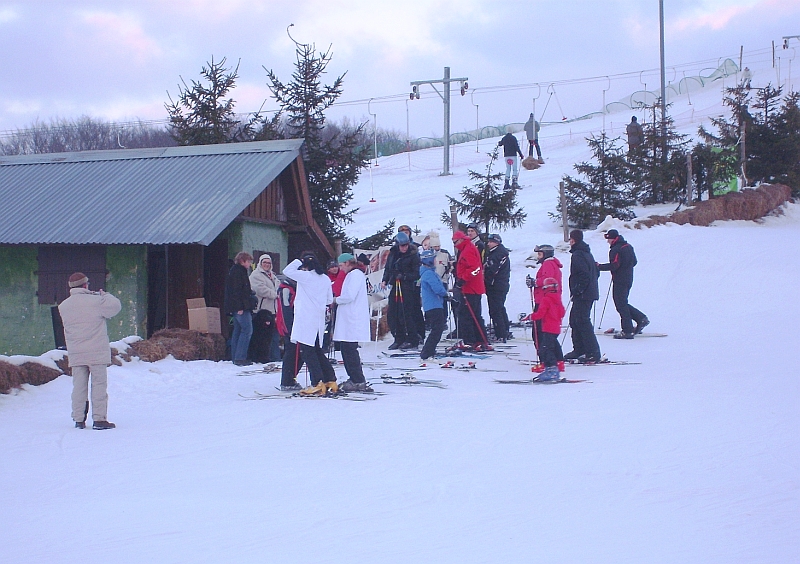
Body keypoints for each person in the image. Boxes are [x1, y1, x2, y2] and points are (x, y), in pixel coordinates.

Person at [58, 272, 122, 430]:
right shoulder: (97, 301)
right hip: (96, 352)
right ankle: (99, 419)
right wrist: (104, 295)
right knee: (99, 385)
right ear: (85, 285)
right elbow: (115, 306)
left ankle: (78, 419)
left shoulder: (64, 306)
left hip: (76, 352)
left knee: (78, 387)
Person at [283, 252, 337, 394]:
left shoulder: (305, 276)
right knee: (317, 350)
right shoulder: (325, 278)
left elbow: (287, 271)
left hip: (305, 318)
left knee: (307, 352)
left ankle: (317, 382)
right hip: (318, 319)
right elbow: (329, 300)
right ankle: (330, 379)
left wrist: (299, 261)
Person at [597, 229, 649, 339]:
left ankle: (627, 330)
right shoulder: (628, 246)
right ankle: (641, 319)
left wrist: (599, 267)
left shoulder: (616, 249)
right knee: (623, 303)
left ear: (614, 239)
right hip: (628, 278)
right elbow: (634, 262)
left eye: (609, 239)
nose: (608, 241)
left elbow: (614, 265)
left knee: (620, 304)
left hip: (620, 280)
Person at [332, 253, 372, 392]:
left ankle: (358, 380)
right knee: (346, 349)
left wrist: (335, 300)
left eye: (341, 265)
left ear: (348, 263)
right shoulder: (352, 274)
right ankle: (354, 378)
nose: (340, 268)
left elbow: (349, 295)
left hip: (352, 318)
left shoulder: (355, 275)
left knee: (349, 350)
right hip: (348, 318)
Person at [565, 229, 602, 363]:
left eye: (570, 239)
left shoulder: (578, 254)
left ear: (573, 240)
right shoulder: (586, 252)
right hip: (587, 293)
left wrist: (578, 289)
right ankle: (580, 349)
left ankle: (593, 352)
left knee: (582, 321)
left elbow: (584, 274)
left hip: (584, 294)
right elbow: (596, 271)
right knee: (575, 320)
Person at [381, 231, 422, 350]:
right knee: (393, 313)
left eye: (406, 245)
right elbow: (388, 268)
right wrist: (385, 280)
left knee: (406, 314)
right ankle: (399, 338)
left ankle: (412, 339)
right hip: (395, 285)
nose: (404, 248)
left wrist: (404, 276)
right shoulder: (393, 254)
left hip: (408, 288)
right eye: (402, 245)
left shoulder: (413, 255)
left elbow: (416, 273)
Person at [525, 244, 564, 365]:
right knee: (547, 334)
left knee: (539, 333)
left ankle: (546, 360)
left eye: (540, 254)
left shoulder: (548, 264)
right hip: (548, 300)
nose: (538, 256)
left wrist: (535, 282)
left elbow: (548, 279)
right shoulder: (551, 264)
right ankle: (557, 359)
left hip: (544, 301)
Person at [452, 230, 490, 351]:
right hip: (469, 287)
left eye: (455, 242)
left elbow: (475, 268)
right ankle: (479, 339)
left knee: (467, 314)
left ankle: (471, 340)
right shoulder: (465, 248)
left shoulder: (468, 249)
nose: (454, 245)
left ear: (461, 240)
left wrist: (463, 279)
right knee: (472, 314)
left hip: (471, 288)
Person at [524, 277, 566, 381]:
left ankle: (552, 370)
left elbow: (540, 314)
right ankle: (556, 365)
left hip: (548, 327)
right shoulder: (557, 298)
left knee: (545, 349)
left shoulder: (546, 299)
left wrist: (530, 317)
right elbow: (562, 312)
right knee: (550, 346)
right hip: (556, 328)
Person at [224, 252, 254, 367]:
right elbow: (236, 291)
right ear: (242, 261)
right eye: (249, 261)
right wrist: (240, 307)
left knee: (238, 330)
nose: (250, 264)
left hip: (236, 306)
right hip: (240, 307)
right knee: (247, 330)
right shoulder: (238, 272)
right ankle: (240, 357)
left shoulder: (235, 271)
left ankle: (235, 356)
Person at [249, 254, 280, 363]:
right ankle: (260, 357)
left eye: (269, 263)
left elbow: (279, 287)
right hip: (261, 312)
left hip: (273, 310)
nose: (267, 264)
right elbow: (260, 289)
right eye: (264, 262)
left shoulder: (273, 276)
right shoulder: (255, 275)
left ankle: (275, 357)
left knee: (273, 336)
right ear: (260, 263)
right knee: (260, 337)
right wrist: (275, 294)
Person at [275, 276, 304, 391]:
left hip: (294, 325)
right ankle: (287, 381)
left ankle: (290, 379)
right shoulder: (286, 289)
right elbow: (285, 311)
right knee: (292, 353)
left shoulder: (293, 288)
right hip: (289, 326)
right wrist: (291, 328)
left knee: (299, 352)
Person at [419, 249, 448, 360]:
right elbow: (437, 288)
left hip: (433, 304)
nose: (436, 261)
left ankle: (429, 350)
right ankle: (427, 351)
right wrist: (445, 294)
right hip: (433, 305)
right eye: (434, 259)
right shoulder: (429, 274)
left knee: (437, 328)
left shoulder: (428, 273)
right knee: (437, 329)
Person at [484, 233, 511, 342]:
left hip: (497, 285)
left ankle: (501, 333)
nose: (488, 244)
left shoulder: (498, 254)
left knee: (495, 310)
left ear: (496, 243)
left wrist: (485, 277)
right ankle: (504, 330)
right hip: (498, 284)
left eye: (491, 242)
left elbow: (493, 270)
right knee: (499, 307)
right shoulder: (494, 252)